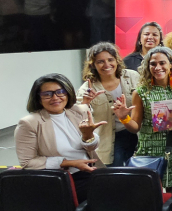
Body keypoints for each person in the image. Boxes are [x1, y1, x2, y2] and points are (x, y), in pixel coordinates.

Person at [15, 74, 105, 202]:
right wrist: (70, 163)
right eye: (47, 94)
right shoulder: (29, 123)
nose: (55, 97)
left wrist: (88, 135)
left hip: (91, 171)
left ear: (68, 93)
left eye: (60, 92)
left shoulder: (79, 111)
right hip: (61, 179)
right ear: (38, 98)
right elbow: (27, 162)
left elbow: (91, 147)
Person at [111, 46, 172, 188]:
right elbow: (135, 127)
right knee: (148, 192)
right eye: (153, 64)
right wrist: (124, 118)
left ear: (171, 64)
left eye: (162, 63)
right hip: (149, 152)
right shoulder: (141, 92)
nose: (157, 67)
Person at [76, 42, 140, 167]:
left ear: (117, 60)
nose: (107, 65)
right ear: (93, 65)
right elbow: (78, 117)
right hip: (109, 139)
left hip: (136, 133)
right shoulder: (87, 88)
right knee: (116, 173)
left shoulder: (132, 76)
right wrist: (85, 103)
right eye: (100, 62)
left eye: (110, 60)